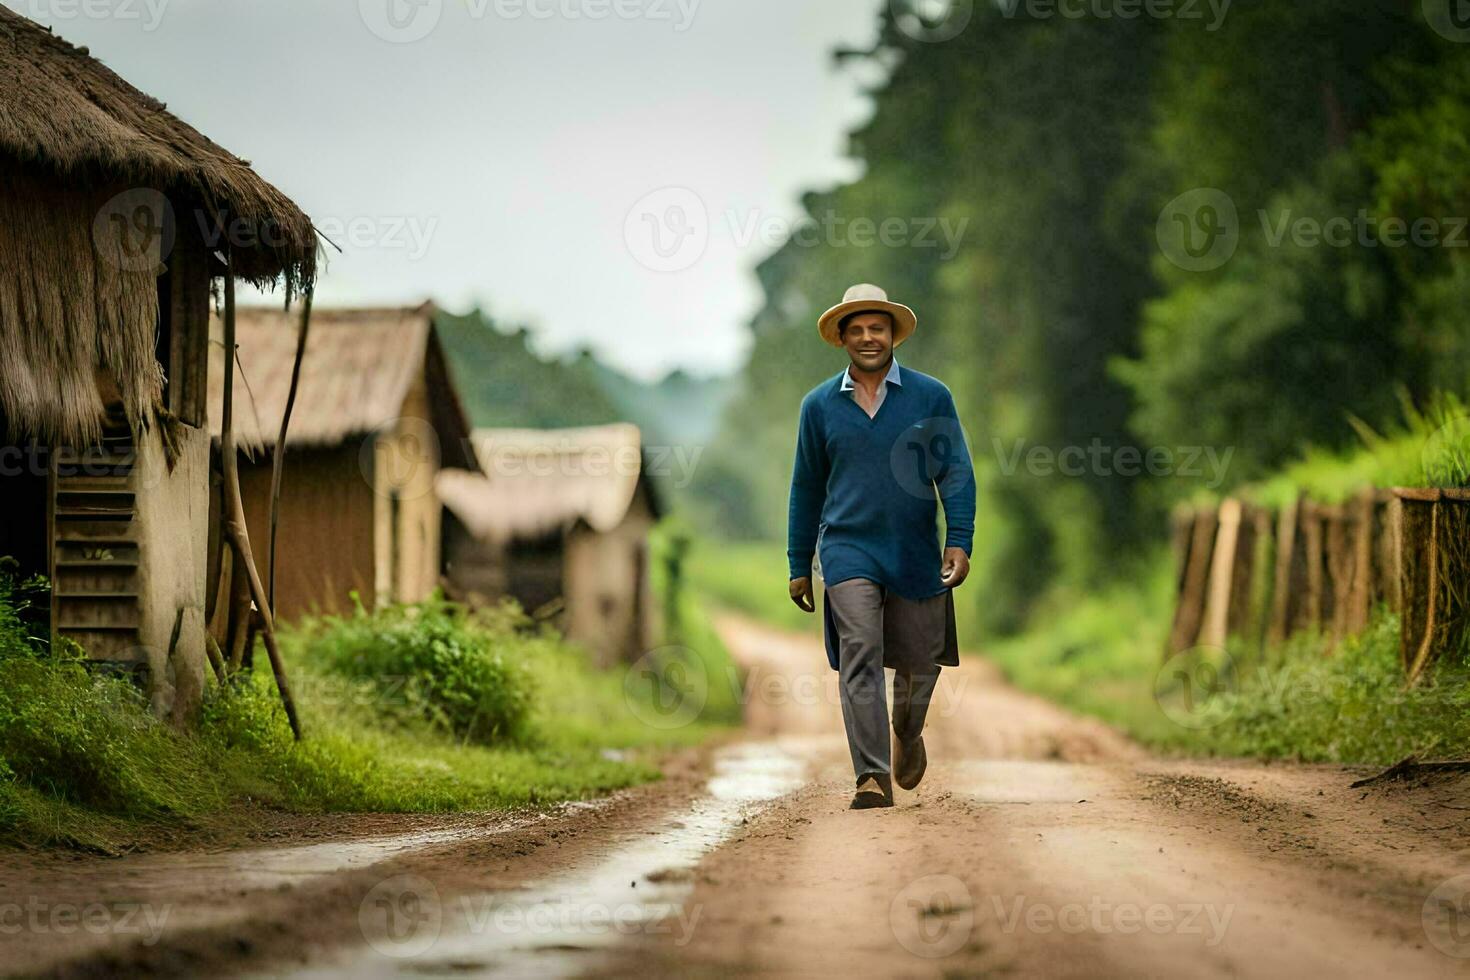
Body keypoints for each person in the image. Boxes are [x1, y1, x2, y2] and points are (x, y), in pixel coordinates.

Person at [786, 283, 976, 810]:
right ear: (842, 338)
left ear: (893, 335)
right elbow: (806, 486)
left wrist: (958, 539)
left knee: (920, 662)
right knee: (860, 652)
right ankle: (871, 775)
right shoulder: (818, 407)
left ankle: (906, 728)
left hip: (915, 548)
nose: (869, 338)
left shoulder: (930, 396)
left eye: (878, 328)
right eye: (858, 330)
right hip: (846, 548)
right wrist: (799, 561)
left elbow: (955, 472)